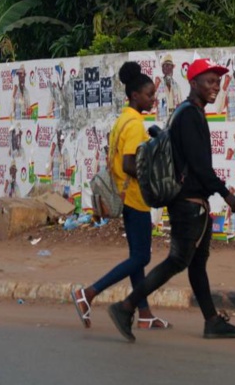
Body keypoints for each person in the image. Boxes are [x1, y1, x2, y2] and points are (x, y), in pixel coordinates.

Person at [107, 58, 235, 343]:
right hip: (188, 203)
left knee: (196, 263)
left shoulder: (190, 112)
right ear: (193, 83)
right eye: (209, 81)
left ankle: (212, 321)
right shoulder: (189, 115)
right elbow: (199, 166)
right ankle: (126, 307)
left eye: (217, 82)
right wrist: (226, 194)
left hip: (194, 202)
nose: (215, 87)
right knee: (177, 261)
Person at [71, 62, 170, 331]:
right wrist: (153, 178)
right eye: (149, 95)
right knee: (141, 258)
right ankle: (89, 293)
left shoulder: (122, 119)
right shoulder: (135, 124)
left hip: (123, 195)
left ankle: (146, 314)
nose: (153, 99)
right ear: (135, 95)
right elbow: (129, 164)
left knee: (136, 255)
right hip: (135, 197)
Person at [154, 54, 183, 120]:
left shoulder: (176, 86)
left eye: (168, 65)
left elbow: (180, 105)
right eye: (164, 66)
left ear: (172, 67)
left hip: (174, 120)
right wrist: (155, 87)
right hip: (161, 119)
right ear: (162, 69)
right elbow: (152, 103)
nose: (166, 68)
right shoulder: (158, 82)